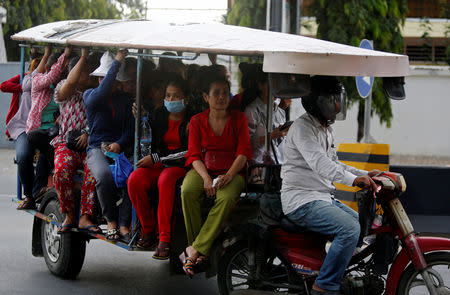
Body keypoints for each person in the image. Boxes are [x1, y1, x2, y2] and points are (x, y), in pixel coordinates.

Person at [280, 76, 379, 295]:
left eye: (337, 99)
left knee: (361, 225)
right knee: (350, 229)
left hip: (321, 197)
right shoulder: (303, 127)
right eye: (330, 100)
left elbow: (333, 162)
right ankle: (324, 286)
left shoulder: (324, 128)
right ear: (315, 102)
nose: (336, 105)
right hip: (301, 200)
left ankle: (333, 269)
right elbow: (320, 164)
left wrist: (365, 174)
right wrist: (353, 180)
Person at [180, 74, 252, 277]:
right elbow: (193, 154)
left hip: (232, 171)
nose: (221, 97)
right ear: (205, 96)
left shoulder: (239, 118)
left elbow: (244, 152)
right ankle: (198, 248)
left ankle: (194, 250)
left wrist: (229, 175)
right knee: (187, 190)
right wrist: (205, 178)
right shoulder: (197, 121)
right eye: (216, 93)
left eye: (225, 93)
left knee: (226, 197)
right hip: (204, 169)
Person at [128, 76, 192, 259]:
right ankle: (148, 229)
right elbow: (150, 143)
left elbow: (187, 151)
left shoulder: (192, 119)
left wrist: (156, 158)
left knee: (165, 179)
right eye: (168, 96)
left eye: (175, 96)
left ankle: (164, 239)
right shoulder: (158, 114)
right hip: (159, 163)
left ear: (185, 99)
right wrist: (140, 119)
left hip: (180, 166)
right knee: (135, 179)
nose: (171, 100)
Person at [84, 50, 134, 241]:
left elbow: (130, 129)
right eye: (103, 78)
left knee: (134, 177)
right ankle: (111, 220)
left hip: (119, 149)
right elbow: (103, 91)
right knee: (104, 176)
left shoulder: (125, 99)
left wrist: (119, 144)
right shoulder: (90, 95)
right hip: (97, 148)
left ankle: (123, 224)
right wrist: (118, 61)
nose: (103, 82)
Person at [51, 48, 101, 234]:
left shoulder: (96, 93)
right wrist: (83, 56)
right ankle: (69, 214)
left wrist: (88, 134)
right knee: (62, 169)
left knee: (94, 170)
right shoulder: (63, 88)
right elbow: (71, 81)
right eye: (85, 71)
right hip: (66, 143)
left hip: (91, 145)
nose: (89, 75)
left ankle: (85, 216)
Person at [18, 46, 71, 209]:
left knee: (50, 146)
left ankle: (37, 191)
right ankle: (29, 195)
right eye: (60, 71)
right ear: (49, 68)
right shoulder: (39, 81)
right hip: (35, 130)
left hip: (54, 134)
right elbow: (52, 75)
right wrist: (64, 55)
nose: (62, 75)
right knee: (23, 155)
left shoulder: (65, 88)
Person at [243, 64, 288, 164]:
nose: (275, 89)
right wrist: (271, 136)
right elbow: (246, 144)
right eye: (271, 85)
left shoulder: (280, 110)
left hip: (279, 164)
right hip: (259, 166)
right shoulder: (252, 110)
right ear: (260, 86)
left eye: (278, 85)